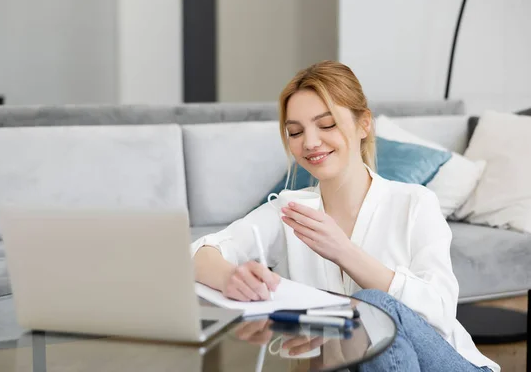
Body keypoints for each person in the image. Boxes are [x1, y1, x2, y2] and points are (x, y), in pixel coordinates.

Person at [190, 60, 499, 372]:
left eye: (326, 125)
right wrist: (231, 278)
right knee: (368, 331)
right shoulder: (289, 211)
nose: (309, 143)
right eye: (295, 132)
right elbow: (198, 253)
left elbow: (441, 313)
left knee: (372, 306)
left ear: (364, 124)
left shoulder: (415, 203)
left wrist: (345, 252)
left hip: (450, 365)